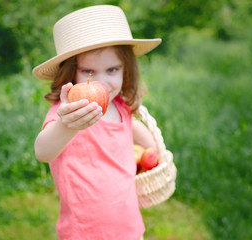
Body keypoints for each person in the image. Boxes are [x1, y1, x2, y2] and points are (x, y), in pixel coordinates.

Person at [33, 5, 161, 240]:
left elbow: (149, 142)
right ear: (71, 73)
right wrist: (67, 125)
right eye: (89, 71)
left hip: (128, 226)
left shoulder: (120, 106)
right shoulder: (70, 112)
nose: (102, 82)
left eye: (112, 69)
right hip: (84, 231)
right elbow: (43, 151)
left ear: (126, 69)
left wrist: (154, 151)